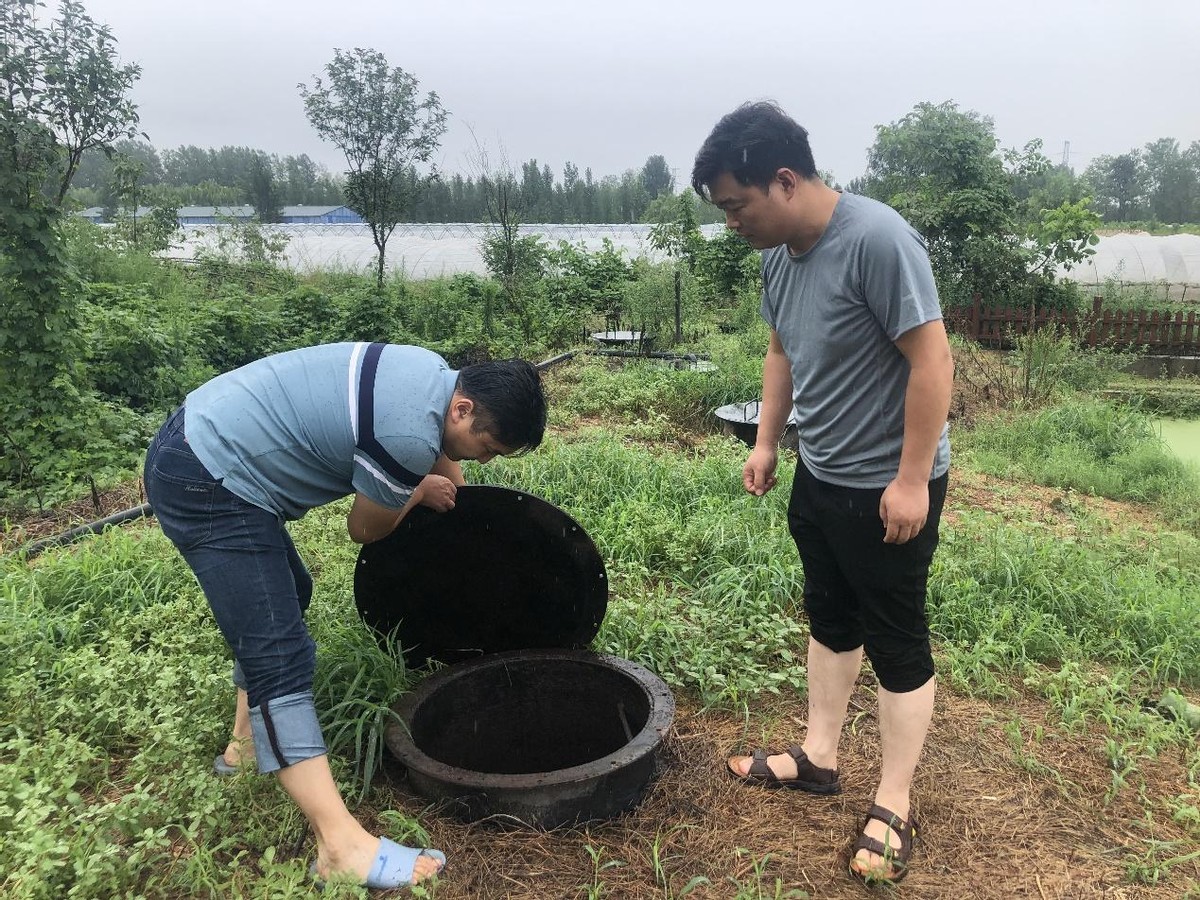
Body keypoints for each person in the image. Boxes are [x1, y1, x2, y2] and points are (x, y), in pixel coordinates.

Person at [144, 341, 547, 891]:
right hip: (209, 477)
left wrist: (459, 521)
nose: (484, 460)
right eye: (489, 448)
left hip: (199, 430)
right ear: (464, 410)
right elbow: (365, 529)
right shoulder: (404, 437)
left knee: (289, 592)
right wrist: (417, 491)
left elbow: (449, 469)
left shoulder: (433, 377)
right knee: (280, 655)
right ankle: (339, 845)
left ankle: (243, 744)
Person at [692, 102, 953, 884]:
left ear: (784, 180)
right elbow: (781, 350)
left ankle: (895, 801)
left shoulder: (877, 239)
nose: (731, 222)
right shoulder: (778, 251)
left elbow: (932, 362)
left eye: (736, 205)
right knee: (830, 617)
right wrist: (769, 442)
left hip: (888, 487)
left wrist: (911, 481)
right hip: (822, 473)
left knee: (896, 637)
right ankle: (819, 757)